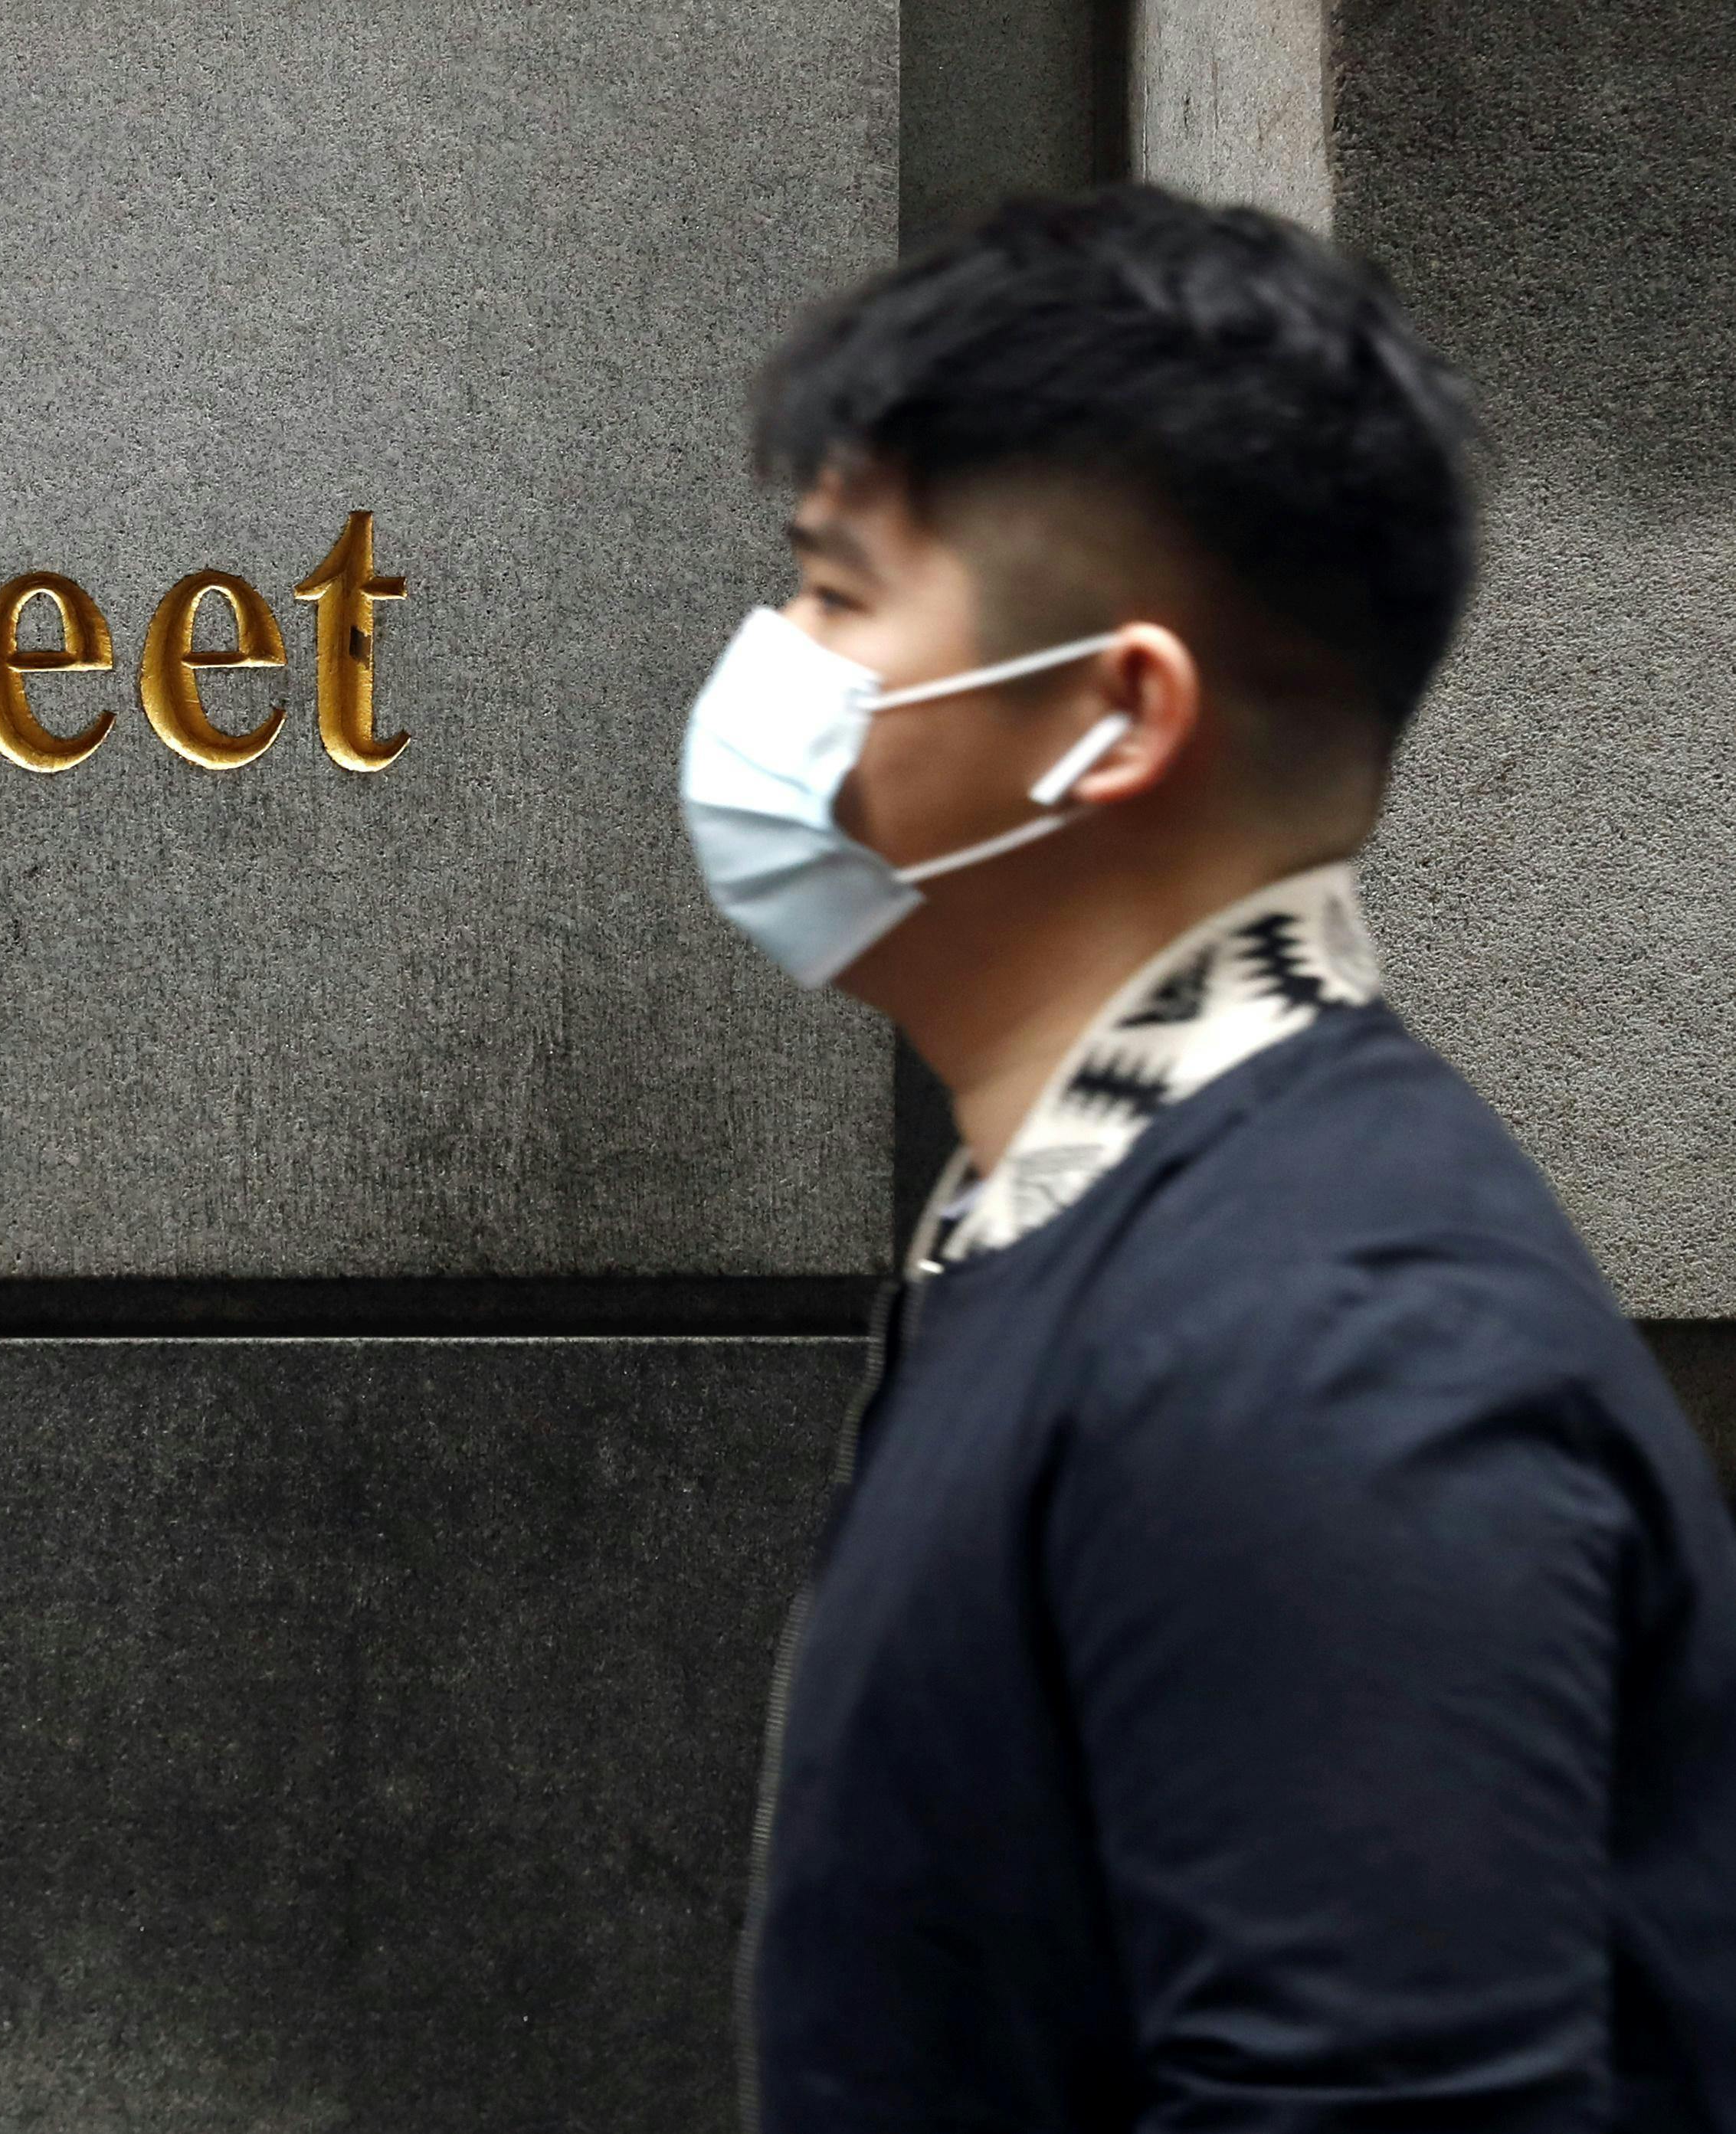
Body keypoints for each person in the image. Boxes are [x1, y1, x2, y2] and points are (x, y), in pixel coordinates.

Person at [687, 186, 1736, 2132]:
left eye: (836, 593)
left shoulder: (1324, 1351)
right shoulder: (1102, 1229)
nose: (769, 665)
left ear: (1114, 719)